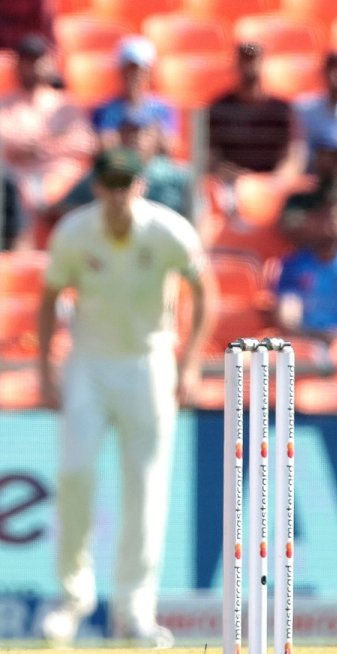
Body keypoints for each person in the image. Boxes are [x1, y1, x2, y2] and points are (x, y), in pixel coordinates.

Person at [37, 147, 217, 647]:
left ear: (141, 185)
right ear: (97, 186)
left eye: (127, 183)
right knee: (75, 474)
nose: (119, 194)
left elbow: (205, 290)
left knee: (146, 487)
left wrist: (191, 363)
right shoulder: (74, 232)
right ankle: (71, 601)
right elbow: (50, 298)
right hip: (89, 363)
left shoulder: (168, 230)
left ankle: (136, 610)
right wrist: (46, 370)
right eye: (111, 183)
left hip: (149, 361)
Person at [0, 34, 95, 211]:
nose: (32, 67)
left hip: (63, 178)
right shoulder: (5, 104)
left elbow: (85, 143)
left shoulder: (66, 105)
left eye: (37, 60)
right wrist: (29, 148)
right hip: (20, 180)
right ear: (18, 65)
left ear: (49, 63)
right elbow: (4, 141)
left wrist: (46, 147)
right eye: (27, 61)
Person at [48, 107, 194, 222]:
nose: (136, 138)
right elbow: (63, 208)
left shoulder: (179, 176)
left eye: (143, 132)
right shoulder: (103, 171)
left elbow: (200, 216)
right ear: (119, 137)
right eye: (128, 132)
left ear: (157, 138)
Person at [274, 197, 337, 345]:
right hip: (308, 343)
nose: (332, 222)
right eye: (325, 216)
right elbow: (289, 319)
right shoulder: (294, 265)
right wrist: (320, 337)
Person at [207, 42, 305, 182]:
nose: (250, 66)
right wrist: (224, 172)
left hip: (273, 182)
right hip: (231, 182)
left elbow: (294, 153)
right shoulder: (219, 108)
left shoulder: (281, 109)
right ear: (237, 64)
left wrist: (279, 178)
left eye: (253, 59)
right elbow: (210, 153)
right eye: (245, 60)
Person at [92, 36, 179, 154]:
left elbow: (170, 145)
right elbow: (103, 145)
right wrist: (125, 137)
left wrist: (151, 136)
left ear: (149, 73)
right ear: (121, 72)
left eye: (141, 70)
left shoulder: (163, 108)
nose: (135, 76)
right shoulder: (105, 110)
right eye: (130, 70)